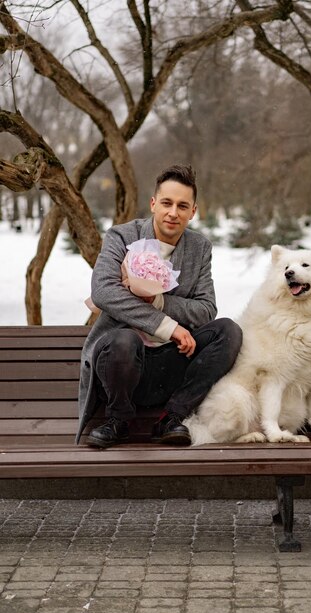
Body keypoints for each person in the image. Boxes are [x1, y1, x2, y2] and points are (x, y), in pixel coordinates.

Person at [76, 164, 242, 448]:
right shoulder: (122, 236)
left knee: (228, 331)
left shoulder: (199, 247)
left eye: (182, 206)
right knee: (123, 339)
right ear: (153, 204)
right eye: (166, 203)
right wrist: (169, 327)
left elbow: (206, 309)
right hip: (121, 366)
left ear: (193, 211)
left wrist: (159, 300)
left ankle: (173, 416)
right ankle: (118, 420)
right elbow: (103, 292)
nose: (173, 213)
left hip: (172, 364)